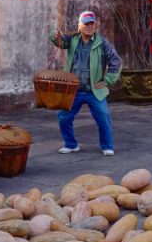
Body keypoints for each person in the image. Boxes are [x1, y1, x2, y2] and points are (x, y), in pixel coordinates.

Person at [48, 10, 122, 155]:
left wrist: (107, 80)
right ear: (79, 26)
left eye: (92, 24)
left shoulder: (102, 43)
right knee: (63, 117)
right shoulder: (72, 40)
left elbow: (116, 61)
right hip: (73, 89)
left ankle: (107, 146)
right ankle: (71, 144)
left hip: (94, 89)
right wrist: (53, 35)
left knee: (103, 116)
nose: (89, 27)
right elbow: (59, 42)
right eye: (86, 24)